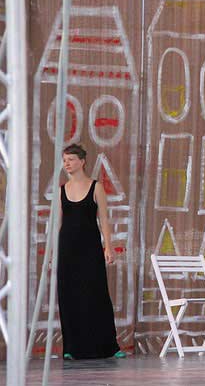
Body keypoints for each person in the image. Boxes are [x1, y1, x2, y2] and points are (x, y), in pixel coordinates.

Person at [57, 144, 124, 360]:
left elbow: (104, 219)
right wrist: (52, 253)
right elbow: (58, 224)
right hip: (67, 249)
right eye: (65, 160)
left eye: (71, 159)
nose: (67, 163)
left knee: (96, 293)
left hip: (90, 248)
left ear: (82, 161)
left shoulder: (96, 187)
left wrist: (108, 246)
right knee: (68, 295)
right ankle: (72, 346)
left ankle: (109, 346)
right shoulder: (61, 190)